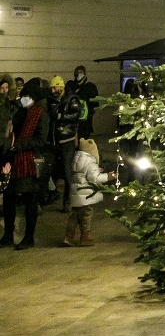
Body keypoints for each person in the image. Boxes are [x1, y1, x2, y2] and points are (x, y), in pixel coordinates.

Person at [0, 78, 50, 250]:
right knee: (9, 198)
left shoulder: (41, 115)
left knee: (30, 200)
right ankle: (7, 235)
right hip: (13, 161)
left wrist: (18, 146)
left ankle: (28, 237)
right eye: (23, 96)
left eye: (27, 96)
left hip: (29, 162)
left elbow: (41, 140)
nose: (24, 99)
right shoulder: (18, 112)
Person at [63, 139, 114, 247]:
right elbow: (94, 179)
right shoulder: (91, 163)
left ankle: (68, 236)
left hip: (76, 195)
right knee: (86, 216)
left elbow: (82, 174)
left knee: (75, 216)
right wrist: (108, 176)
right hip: (86, 196)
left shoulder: (77, 160)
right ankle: (85, 237)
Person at [48, 76, 81, 210]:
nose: (53, 91)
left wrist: (60, 117)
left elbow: (77, 115)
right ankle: (51, 195)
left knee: (68, 173)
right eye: (52, 88)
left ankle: (67, 201)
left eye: (55, 88)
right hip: (55, 141)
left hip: (67, 141)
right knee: (51, 171)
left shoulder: (72, 99)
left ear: (61, 87)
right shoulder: (52, 100)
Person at [65, 66, 99, 136]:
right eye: (77, 72)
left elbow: (95, 104)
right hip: (71, 121)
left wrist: (88, 114)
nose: (78, 74)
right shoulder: (70, 86)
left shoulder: (90, 87)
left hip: (84, 123)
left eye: (81, 72)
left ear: (85, 74)